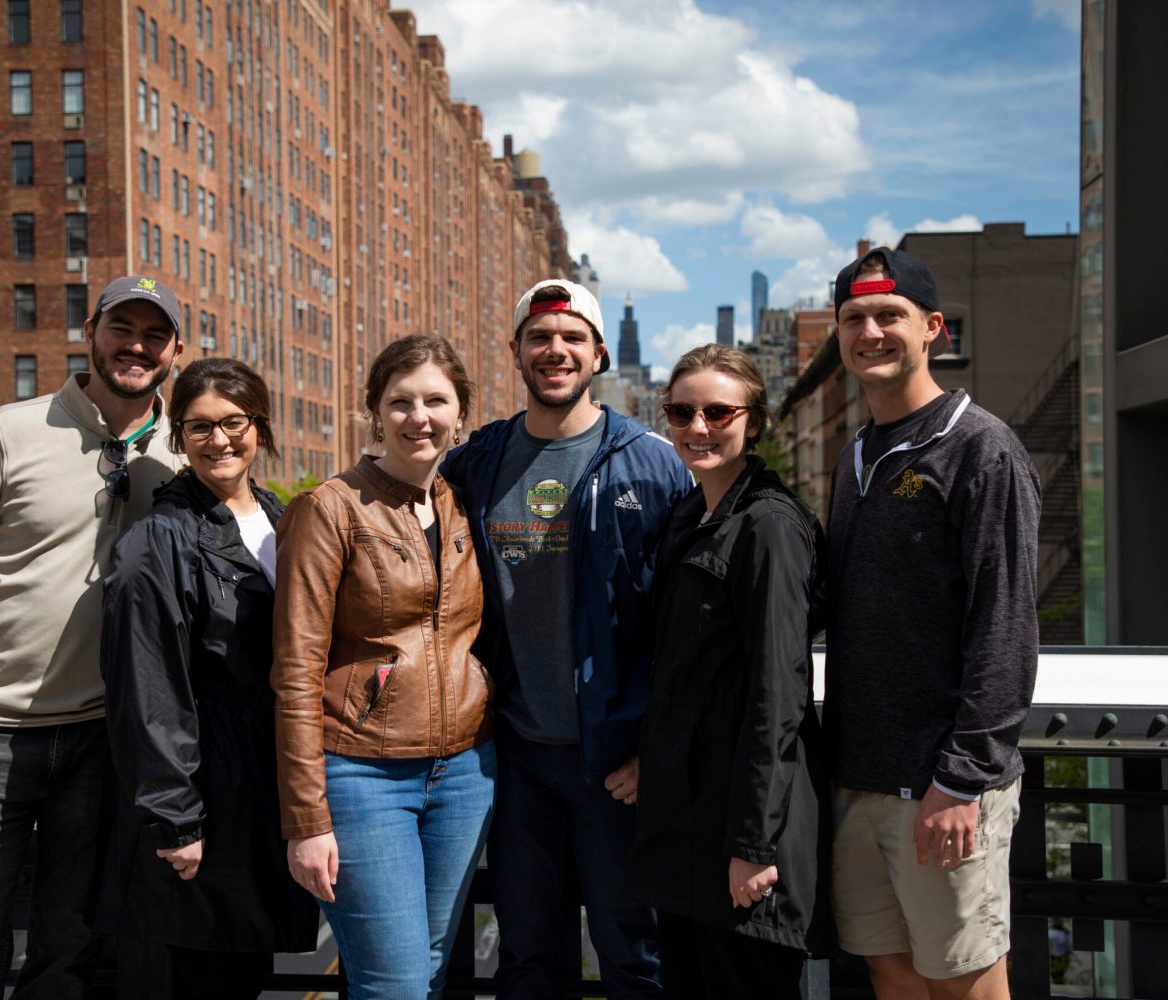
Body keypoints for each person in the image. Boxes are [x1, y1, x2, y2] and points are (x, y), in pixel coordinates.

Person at [0, 275, 183, 998]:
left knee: (69, 957)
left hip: (100, 743)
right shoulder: (10, 430)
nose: (136, 346)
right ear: (90, 332)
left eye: (154, 335)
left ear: (175, 352)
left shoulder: (182, 455)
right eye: (123, 329)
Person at [442, 278, 692, 998]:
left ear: (599, 352)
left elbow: (682, 628)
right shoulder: (476, 463)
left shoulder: (652, 463)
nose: (555, 350)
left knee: (634, 957)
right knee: (526, 957)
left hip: (617, 765)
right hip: (515, 757)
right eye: (539, 337)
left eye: (571, 337)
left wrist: (652, 747)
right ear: (516, 351)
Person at [823, 246, 1040, 999]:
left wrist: (961, 778)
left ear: (933, 330)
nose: (870, 331)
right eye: (854, 317)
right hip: (858, 773)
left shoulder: (981, 448)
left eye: (890, 316)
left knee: (964, 981)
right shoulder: (855, 454)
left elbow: (1004, 625)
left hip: (941, 783)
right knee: (890, 971)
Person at [273, 334, 494, 999]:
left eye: (435, 401)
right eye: (400, 402)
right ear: (375, 411)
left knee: (423, 969)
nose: (417, 417)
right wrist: (305, 821)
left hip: (464, 774)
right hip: (361, 775)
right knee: (393, 983)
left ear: (461, 414)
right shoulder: (329, 509)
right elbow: (294, 670)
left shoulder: (463, 505)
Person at [96, 358, 318, 996]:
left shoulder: (279, 518)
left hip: (261, 788)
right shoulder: (157, 540)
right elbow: (148, 688)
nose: (219, 440)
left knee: (245, 971)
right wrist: (176, 819)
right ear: (178, 437)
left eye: (233, 423)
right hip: (204, 796)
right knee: (206, 975)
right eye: (198, 428)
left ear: (260, 428)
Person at [632, 344, 832, 997]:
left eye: (717, 412)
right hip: (688, 826)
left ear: (754, 420)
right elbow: (685, 676)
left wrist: (754, 843)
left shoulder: (769, 528)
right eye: (681, 411)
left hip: (742, 838)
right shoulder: (690, 517)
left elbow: (778, 694)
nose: (697, 427)